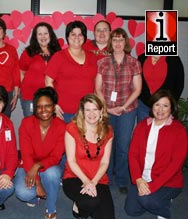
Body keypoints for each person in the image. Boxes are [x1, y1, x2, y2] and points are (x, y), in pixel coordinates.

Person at [125, 90, 187, 219]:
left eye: (165, 106)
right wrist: (138, 179)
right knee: (131, 210)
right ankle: (156, 200)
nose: (160, 109)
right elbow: (133, 155)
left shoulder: (178, 130)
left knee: (146, 200)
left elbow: (175, 165)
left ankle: (163, 208)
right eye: (157, 104)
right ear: (152, 106)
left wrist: (153, 187)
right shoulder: (142, 126)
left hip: (167, 181)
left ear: (171, 109)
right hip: (143, 178)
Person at [95, 27, 142, 193]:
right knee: (107, 144)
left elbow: (137, 89)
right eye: (114, 40)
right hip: (107, 110)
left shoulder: (134, 63)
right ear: (110, 42)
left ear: (126, 42)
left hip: (127, 111)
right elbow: (98, 88)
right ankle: (106, 176)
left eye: (121, 40)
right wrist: (107, 108)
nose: (117, 43)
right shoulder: (102, 62)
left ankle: (122, 179)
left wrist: (122, 107)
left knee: (122, 146)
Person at [15, 87, 66, 219]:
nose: (43, 110)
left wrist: (37, 166)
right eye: (39, 106)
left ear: (54, 107)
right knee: (23, 193)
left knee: (53, 174)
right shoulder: (26, 123)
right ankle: (34, 195)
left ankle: (50, 207)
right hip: (27, 165)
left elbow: (56, 156)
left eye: (48, 106)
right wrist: (37, 182)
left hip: (48, 166)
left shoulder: (62, 126)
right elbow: (26, 155)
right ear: (35, 108)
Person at [63, 94, 115, 219]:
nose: (92, 114)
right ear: (82, 112)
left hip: (98, 178)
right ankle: (79, 207)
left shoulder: (108, 131)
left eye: (95, 109)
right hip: (75, 177)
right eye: (88, 110)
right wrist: (87, 182)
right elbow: (71, 160)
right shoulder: (72, 128)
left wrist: (93, 182)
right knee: (91, 201)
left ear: (101, 111)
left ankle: (83, 207)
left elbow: (105, 162)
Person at [45, 20, 98, 123]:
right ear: (67, 37)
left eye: (80, 34)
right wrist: (53, 103)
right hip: (64, 113)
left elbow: (96, 84)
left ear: (85, 37)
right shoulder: (59, 57)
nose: (77, 38)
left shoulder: (92, 57)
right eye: (73, 34)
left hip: (87, 113)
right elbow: (48, 81)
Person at [20, 22, 61, 117]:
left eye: (45, 33)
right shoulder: (28, 53)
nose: (43, 37)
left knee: (48, 126)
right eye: (39, 34)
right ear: (35, 37)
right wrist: (23, 89)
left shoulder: (58, 54)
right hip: (30, 97)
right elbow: (21, 72)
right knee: (31, 125)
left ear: (50, 35)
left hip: (51, 97)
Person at [137, 53, 185, 122]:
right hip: (144, 106)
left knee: (164, 132)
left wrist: (170, 104)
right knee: (144, 131)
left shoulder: (174, 59)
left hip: (164, 108)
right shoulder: (142, 58)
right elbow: (137, 81)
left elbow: (179, 84)